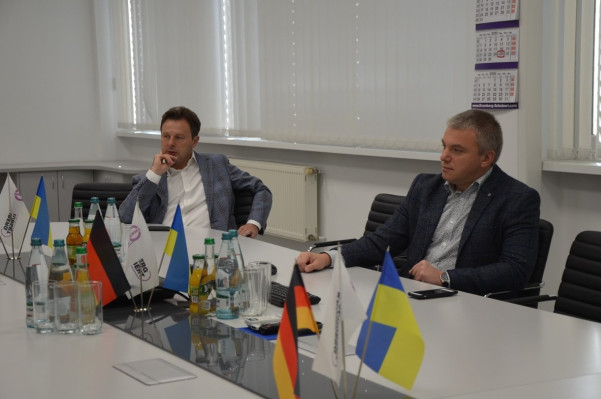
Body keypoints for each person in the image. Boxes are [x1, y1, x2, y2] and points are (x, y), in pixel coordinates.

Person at [296, 109, 540, 295]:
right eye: (444, 147)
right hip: (412, 294)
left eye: (457, 150)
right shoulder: (426, 187)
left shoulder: (517, 199)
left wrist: (445, 278)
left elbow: (514, 271)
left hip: (467, 302)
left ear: (486, 158)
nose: (443, 156)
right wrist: (330, 258)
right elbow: (384, 240)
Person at [119, 106, 272, 238]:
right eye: (166, 136)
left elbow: (261, 189)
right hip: (165, 249)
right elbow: (126, 217)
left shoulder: (217, 165)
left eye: (179, 137)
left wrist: (253, 223)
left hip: (212, 248)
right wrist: (154, 174)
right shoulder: (149, 179)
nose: (170, 143)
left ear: (194, 141)